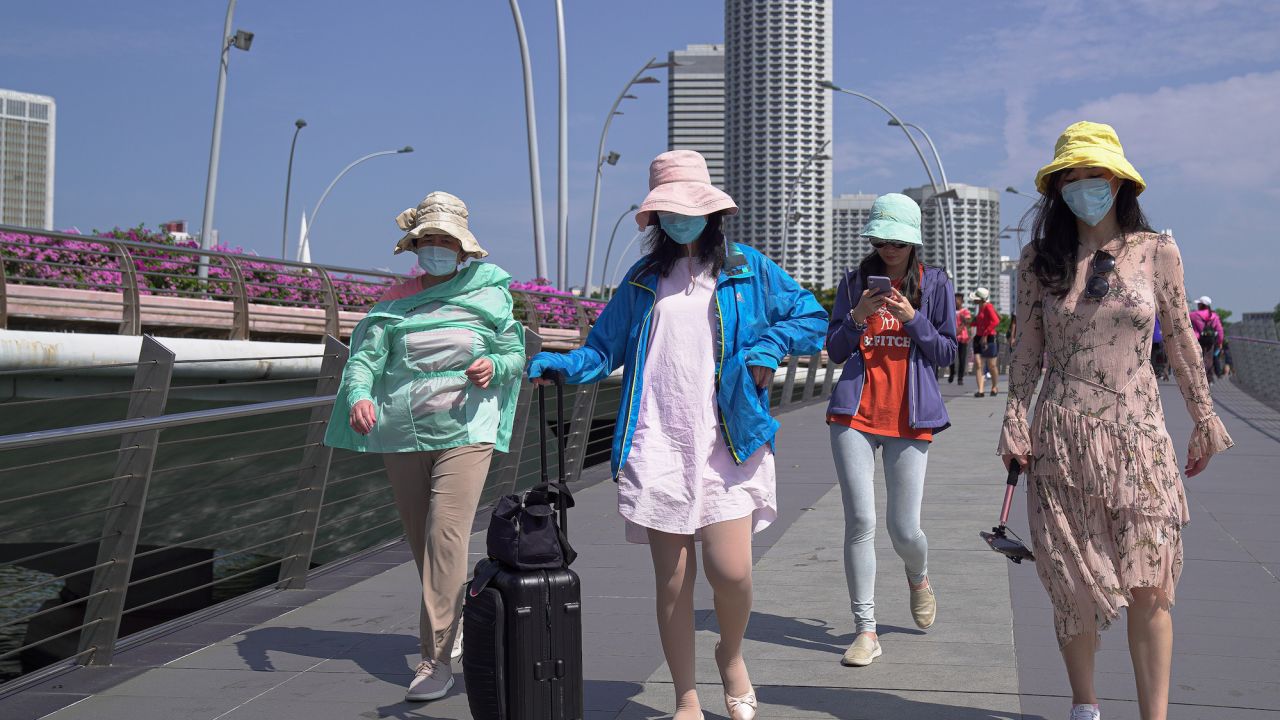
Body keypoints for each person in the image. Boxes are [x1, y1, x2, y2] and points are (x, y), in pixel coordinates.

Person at [527, 150, 826, 720]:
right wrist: (560, 365)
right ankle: (685, 698)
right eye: (669, 211)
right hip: (658, 441)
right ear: (656, 219)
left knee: (732, 571)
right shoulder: (643, 281)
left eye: (690, 210)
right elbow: (602, 349)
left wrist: (766, 346)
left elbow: (810, 316)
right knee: (674, 582)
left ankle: (731, 656)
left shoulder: (748, 268)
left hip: (728, 439)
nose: (680, 220)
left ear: (712, 214)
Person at [999, 122, 1234, 720]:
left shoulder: (1158, 252)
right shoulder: (1038, 262)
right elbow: (1027, 349)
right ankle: (1086, 707)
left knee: (1151, 583)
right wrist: (1013, 418)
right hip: (1062, 437)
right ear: (1057, 189)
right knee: (1072, 584)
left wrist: (1204, 417)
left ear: (1119, 181)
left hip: (1140, 437)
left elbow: (1180, 339)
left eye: (1094, 174)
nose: (1083, 186)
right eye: (1070, 177)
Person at [324, 192, 526, 703]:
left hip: (467, 427)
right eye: (427, 240)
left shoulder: (489, 292)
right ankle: (451, 621)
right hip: (402, 430)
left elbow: (513, 351)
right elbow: (364, 360)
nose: (435, 248)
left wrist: (493, 367)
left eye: (444, 240)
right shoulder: (392, 299)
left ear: (463, 248)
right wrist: (360, 396)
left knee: (445, 534)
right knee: (422, 541)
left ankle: (434, 660)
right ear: (416, 246)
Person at [825, 193, 957, 667]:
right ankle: (866, 630)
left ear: (913, 241)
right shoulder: (854, 281)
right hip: (854, 415)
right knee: (860, 522)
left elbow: (946, 353)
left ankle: (918, 575)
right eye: (881, 240)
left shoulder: (936, 284)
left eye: (898, 241)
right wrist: (858, 317)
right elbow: (836, 351)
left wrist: (912, 318)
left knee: (905, 530)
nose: (889, 248)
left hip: (909, 416)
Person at [970, 287, 1000, 397]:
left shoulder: (988, 307)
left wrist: (986, 334)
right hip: (978, 337)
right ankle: (981, 390)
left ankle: (994, 386)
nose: (974, 300)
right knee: (978, 364)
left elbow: (996, 321)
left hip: (989, 337)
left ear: (981, 299)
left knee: (992, 365)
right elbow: (979, 323)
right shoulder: (979, 308)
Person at [1188, 296, 1223, 385]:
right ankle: (1209, 378)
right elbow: (1219, 330)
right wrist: (1220, 341)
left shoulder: (1194, 315)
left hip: (1198, 340)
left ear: (1201, 305)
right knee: (1209, 359)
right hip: (1210, 340)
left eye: (1198, 304)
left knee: (1197, 358)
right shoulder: (1214, 316)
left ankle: (1199, 377)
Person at [948, 292, 972, 385]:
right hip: (952, 336)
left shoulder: (965, 311)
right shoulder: (950, 311)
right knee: (951, 357)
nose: (956, 301)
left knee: (962, 358)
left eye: (958, 299)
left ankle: (960, 377)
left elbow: (967, 322)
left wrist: (959, 328)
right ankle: (952, 372)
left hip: (962, 337)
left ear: (962, 301)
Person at [1151, 316, 1170, 381]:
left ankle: (1156, 372)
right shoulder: (1158, 316)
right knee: (1163, 356)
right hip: (1160, 338)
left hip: (1154, 339)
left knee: (1153, 356)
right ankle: (1163, 371)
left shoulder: (1152, 314)